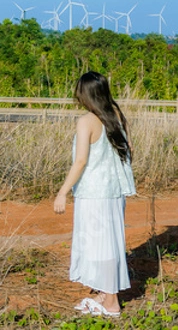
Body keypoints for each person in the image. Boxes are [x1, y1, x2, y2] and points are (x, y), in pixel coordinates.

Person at [54, 71, 136, 317]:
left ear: (85, 95)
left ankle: (111, 303)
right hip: (113, 191)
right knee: (109, 242)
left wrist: (62, 192)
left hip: (93, 193)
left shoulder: (86, 121)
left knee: (99, 245)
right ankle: (105, 293)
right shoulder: (115, 114)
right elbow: (128, 150)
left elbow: (80, 161)